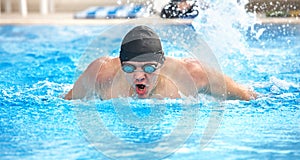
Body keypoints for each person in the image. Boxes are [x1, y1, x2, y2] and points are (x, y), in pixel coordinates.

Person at [64, 25, 257, 101]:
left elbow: (248, 97)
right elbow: (65, 105)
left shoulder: (193, 74)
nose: (139, 76)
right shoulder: (100, 74)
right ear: (120, 63)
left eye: (148, 68)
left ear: (162, 64)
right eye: (130, 68)